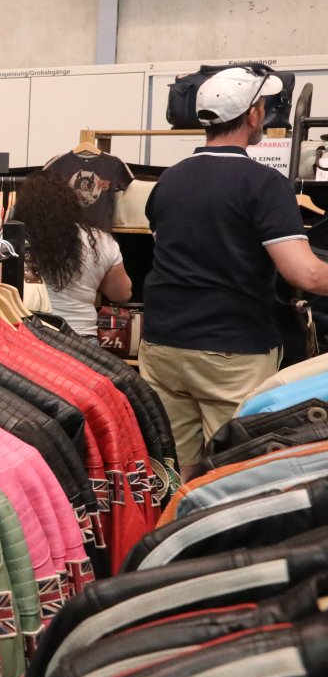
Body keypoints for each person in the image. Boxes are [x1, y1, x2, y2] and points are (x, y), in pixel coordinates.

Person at [140, 65, 328, 469]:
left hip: (162, 345)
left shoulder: (168, 181)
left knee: (174, 467)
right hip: (231, 350)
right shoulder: (264, 183)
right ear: (254, 115)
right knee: (233, 468)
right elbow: (305, 273)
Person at [18, 170, 132, 338]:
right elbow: (122, 294)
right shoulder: (100, 241)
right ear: (71, 202)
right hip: (82, 338)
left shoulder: (11, 239)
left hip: (29, 338)